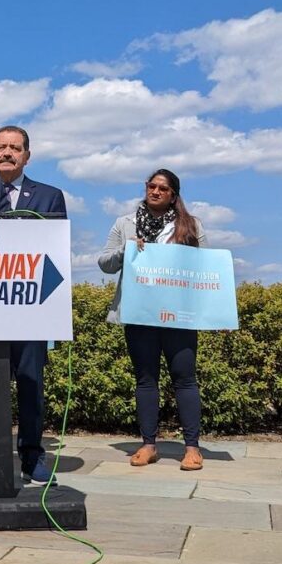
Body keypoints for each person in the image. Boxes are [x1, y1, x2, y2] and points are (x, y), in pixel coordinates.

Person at [98, 168, 207, 471]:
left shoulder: (191, 225)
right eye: (151, 186)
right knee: (146, 379)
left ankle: (192, 448)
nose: (156, 191)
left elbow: (204, 268)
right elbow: (104, 262)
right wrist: (126, 249)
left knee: (184, 378)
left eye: (163, 188)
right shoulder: (125, 223)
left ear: (174, 195)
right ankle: (148, 445)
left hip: (178, 316)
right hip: (139, 313)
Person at [0, 125, 67, 486]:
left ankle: (33, 457)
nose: (7, 153)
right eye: (1, 147)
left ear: (27, 156)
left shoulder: (50, 196)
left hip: (30, 310)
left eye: (15, 148)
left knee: (31, 385)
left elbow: (56, 251)